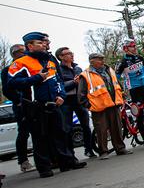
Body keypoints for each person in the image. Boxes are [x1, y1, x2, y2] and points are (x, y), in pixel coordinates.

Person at [7, 32, 86, 177]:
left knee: (60, 134)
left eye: (44, 43)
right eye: (40, 43)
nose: (44, 45)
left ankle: (67, 162)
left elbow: (59, 81)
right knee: (40, 137)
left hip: (54, 104)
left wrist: (61, 95)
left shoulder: (50, 61)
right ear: (30, 46)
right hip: (35, 106)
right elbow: (11, 83)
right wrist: (37, 78)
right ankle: (44, 168)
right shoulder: (20, 62)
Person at [78, 53, 132, 159]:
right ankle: (103, 152)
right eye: (99, 59)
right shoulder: (85, 75)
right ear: (92, 61)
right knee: (101, 130)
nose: (102, 61)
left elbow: (117, 84)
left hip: (113, 104)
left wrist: (121, 94)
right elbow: (81, 95)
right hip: (98, 108)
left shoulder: (109, 70)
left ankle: (120, 148)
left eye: (103, 59)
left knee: (117, 127)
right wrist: (90, 106)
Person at [116, 39, 144, 149]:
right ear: (126, 48)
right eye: (132, 46)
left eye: (135, 46)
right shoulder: (122, 62)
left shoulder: (140, 58)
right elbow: (115, 78)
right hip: (134, 89)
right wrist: (120, 89)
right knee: (140, 114)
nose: (135, 48)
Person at [55, 46, 96, 158]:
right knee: (67, 128)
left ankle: (89, 149)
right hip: (66, 101)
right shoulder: (58, 70)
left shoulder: (77, 68)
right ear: (61, 57)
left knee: (86, 126)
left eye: (71, 52)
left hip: (79, 100)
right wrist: (73, 82)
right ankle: (71, 154)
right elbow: (60, 86)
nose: (71, 55)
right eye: (68, 53)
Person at [1, 43, 36, 172]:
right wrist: (18, 101)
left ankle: (43, 158)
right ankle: (23, 161)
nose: (25, 53)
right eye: (22, 51)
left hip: (34, 103)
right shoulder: (7, 70)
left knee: (38, 131)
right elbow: (6, 89)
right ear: (15, 54)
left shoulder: (29, 66)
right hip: (21, 105)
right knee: (24, 132)